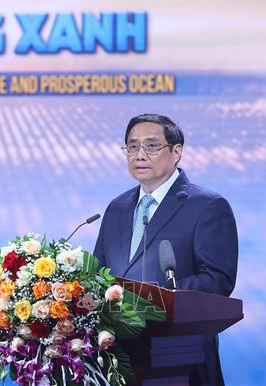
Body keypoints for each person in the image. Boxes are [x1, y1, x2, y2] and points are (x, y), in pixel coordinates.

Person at [93, 113, 238, 386]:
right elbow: (98, 275)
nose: (140, 155)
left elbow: (218, 280)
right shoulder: (117, 208)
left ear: (176, 151)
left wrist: (151, 296)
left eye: (151, 146)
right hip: (118, 358)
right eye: (132, 147)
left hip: (181, 354)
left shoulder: (207, 206)